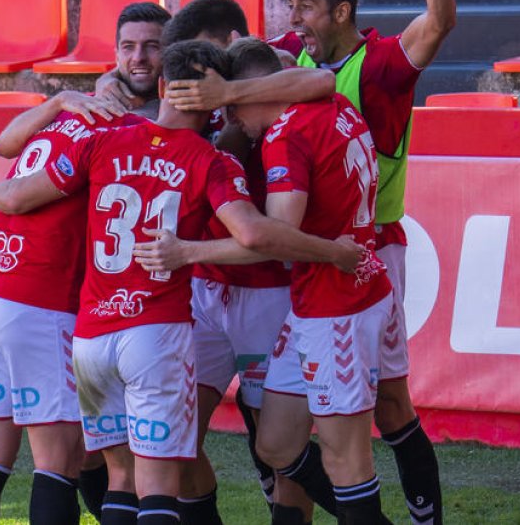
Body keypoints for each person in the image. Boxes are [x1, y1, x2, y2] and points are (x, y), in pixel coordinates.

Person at [0, 40, 364, 525]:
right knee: (160, 487)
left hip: (93, 334)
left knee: (120, 476)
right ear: (217, 100)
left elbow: (18, 191)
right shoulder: (212, 160)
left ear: (162, 86)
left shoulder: (106, 135)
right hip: (155, 332)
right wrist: (331, 251)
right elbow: (254, 234)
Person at [166, 0, 456, 525]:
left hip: (355, 256)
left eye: (302, 6)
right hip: (324, 269)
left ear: (341, 11)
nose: (291, 19)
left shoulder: (374, 68)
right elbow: (278, 71)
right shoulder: (294, 63)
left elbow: (438, 24)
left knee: (382, 416)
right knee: (281, 439)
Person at [138, 37, 396, 524]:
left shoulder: (284, 135)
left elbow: (271, 235)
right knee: (275, 444)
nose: (231, 121)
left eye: (234, 108)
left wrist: (186, 252)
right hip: (318, 299)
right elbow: (318, 77)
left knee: (346, 458)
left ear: (255, 91)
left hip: (337, 303)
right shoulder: (331, 101)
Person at [0, 3, 170, 525]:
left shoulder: (79, 110)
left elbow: (5, 145)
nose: (138, 57)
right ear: (114, 53)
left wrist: (58, 103)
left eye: (151, 47)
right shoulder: (113, 125)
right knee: (61, 461)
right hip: (36, 299)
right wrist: (1, 192)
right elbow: (14, 191)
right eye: (128, 47)